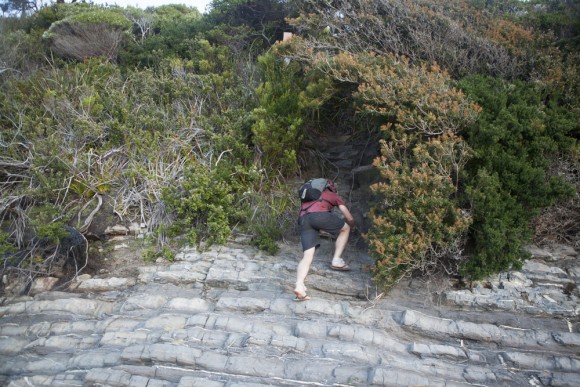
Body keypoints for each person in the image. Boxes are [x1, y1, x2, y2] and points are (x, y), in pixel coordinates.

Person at [294, 179, 356, 301]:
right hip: (319, 217)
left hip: (303, 220)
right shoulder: (332, 195)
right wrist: (353, 226)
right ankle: (336, 260)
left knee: (307, 256)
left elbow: (311, 215)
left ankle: (299, 285)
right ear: (330, 187)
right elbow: (348, 216)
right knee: (346, 228)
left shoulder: (309, 197)